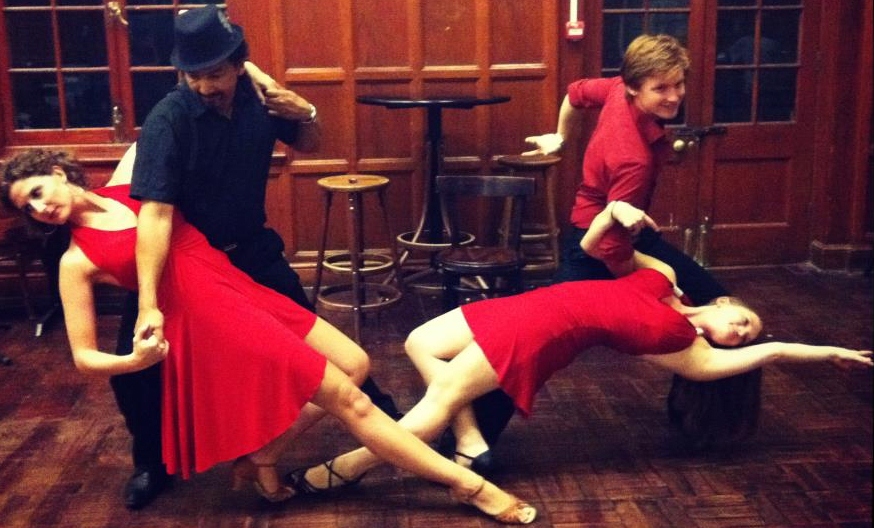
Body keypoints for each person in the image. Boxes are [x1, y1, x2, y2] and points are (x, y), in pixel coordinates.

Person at [0, 149, 537, 525]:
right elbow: (84, 357)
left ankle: (264, 453)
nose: (40, 208)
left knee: (355, 364)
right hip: (212, 321)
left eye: (39, 192)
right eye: (29, 208)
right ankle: (470, 486)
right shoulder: (76, 260)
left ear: (58, 171)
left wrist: (245, 70)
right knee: (352, 402)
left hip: (245, 291)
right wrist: (136, 361)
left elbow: (163, 120)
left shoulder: (132, 186)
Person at [283, 200, 871, 491]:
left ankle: (347, 468)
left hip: (546, 331)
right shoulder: (665, 278)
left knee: (437, 400)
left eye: (744, 336)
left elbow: (774, 353)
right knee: (420, 341)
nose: (741, 332)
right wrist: (614, 212)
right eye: (743, 319)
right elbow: (595, 249)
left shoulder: (694, 354)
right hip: (530, 304)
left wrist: (830, 352)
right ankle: (469, 443)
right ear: (723, 301)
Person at [116, 5, 399, 509]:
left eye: (215, 73)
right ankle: (151, 464)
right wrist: (147, 303)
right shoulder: (168, 120)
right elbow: (154, 216)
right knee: (139, 362)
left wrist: (305, 111)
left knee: (312, 334)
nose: (205, 86)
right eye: (194, 75)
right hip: (191, 264)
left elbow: (310, 143)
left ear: (239, 63)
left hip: (251, 247)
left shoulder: (259, 98)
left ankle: (385, 415)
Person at [522, 33, 745, 451]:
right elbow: (611, 248)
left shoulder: (614, 91)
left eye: (678, 84)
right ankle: (469, 423)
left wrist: (561, 138)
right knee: (536, 335)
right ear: (633, 87)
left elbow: (574, 94)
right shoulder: (633, 159)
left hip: (621, 231)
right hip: (601, 243)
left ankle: (703, 422)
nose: (674, 96)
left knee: (724, 308)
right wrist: (651, 281)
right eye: (661, 88)